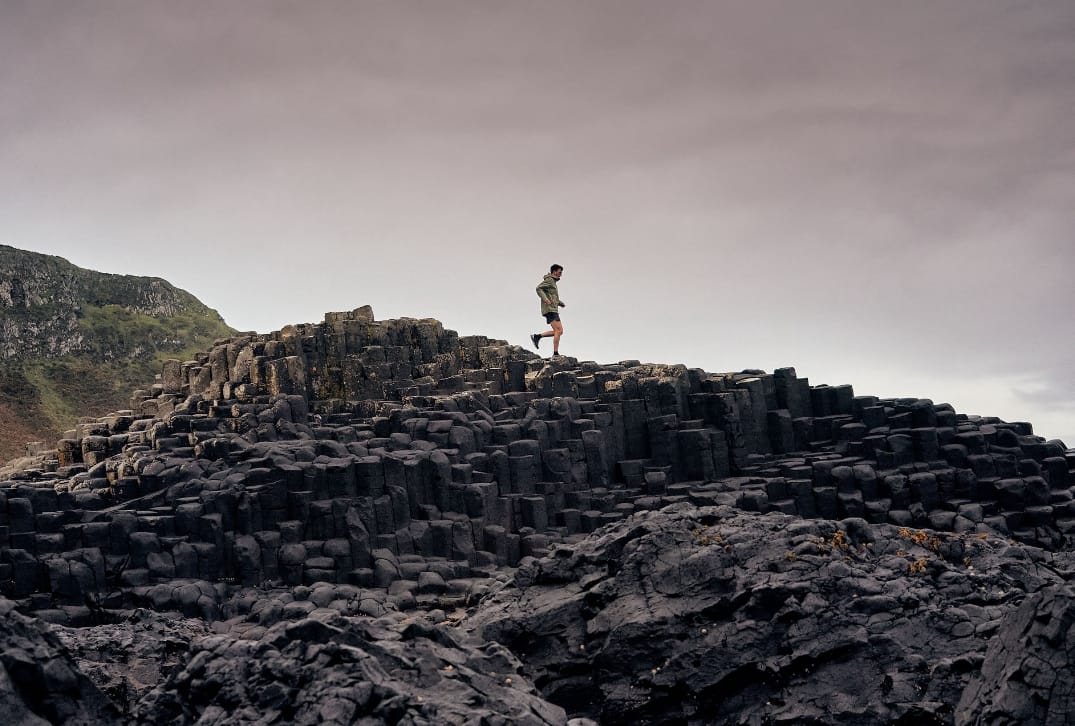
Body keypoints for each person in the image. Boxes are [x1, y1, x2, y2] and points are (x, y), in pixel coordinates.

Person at [531, 264, 565, 357]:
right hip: (550, 309)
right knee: (559, 330)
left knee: (559, 331)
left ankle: (537, 336)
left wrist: (560, 303)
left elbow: (552, 297)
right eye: (559, 272)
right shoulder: (550, 280)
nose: (560, 274)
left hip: (553, 309)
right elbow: (538, 288)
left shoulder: (553, 282)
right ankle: (555, 353)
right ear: (554, 271)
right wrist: (545, 299)